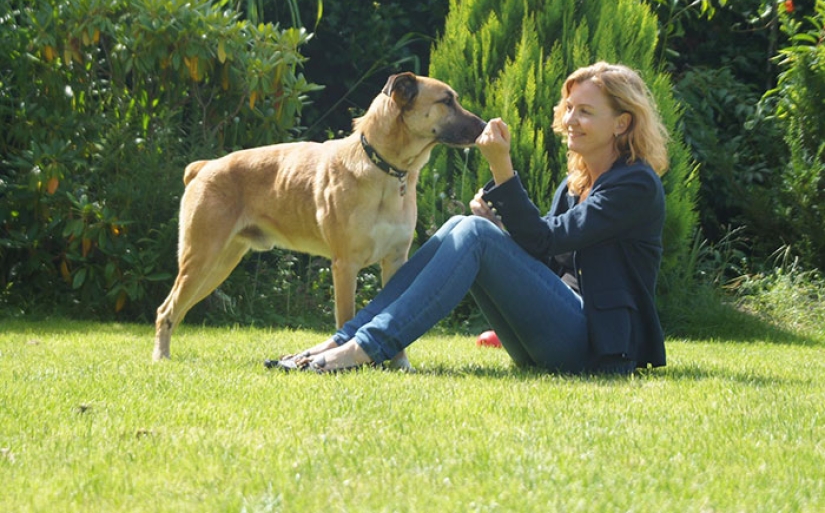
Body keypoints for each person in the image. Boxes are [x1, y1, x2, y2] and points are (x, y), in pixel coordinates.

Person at [270, 61, 670, 375]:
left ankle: (363, 349)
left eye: (585, 112)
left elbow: (546, 239)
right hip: (553, 334)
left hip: (599, 345)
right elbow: (545, 260)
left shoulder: (635, 185)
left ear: (622, 122)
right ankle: (341, 340)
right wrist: (501, 233)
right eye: (569, 108)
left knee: (475, 233)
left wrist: (502, 168)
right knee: (468, 227)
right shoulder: (574, 183)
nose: (569, 120)